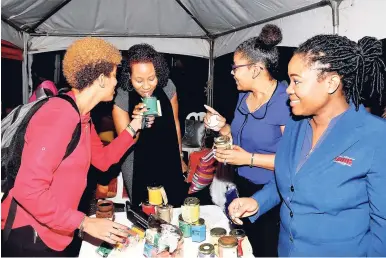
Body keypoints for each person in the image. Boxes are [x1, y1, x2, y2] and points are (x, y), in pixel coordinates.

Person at [228, 34, 386, 256]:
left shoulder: (376, 135)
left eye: (297, 81)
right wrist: (257, 202)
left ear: (331, 83)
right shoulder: (296, 123)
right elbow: (290, 180)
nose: (289, 89)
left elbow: (383, 226)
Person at [1, 37, 154, 257]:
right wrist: (84, 222)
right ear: (101, 79)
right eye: (113, 76)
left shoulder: (82, 116)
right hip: (31, 237)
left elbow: (102, 159)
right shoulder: (59, 115)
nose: (116, 83)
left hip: (58, 231)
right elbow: (28, 189)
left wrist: (134, 126)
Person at [204, 24, 290, 257]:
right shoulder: (243, 96)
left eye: (235, 67)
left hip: (274, 192)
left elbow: (292, 162)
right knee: (247, 245)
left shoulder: (286, 102)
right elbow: (238, 135)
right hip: (243, 184)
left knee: (266, 249)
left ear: (256, 69)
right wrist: (222, 127)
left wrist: (248, 159)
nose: (232, 72)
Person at [113, 43, 187, 206]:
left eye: (152, 78)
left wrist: (180, 157)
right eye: (138, 80)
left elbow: (175, 123)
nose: (146, 86)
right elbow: (125, 144)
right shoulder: (122, 97)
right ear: (129, 77)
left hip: (168, 157)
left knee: (173, 206)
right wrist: (137, 123)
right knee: (146, 210)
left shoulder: (168, 87)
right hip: (137, 164)